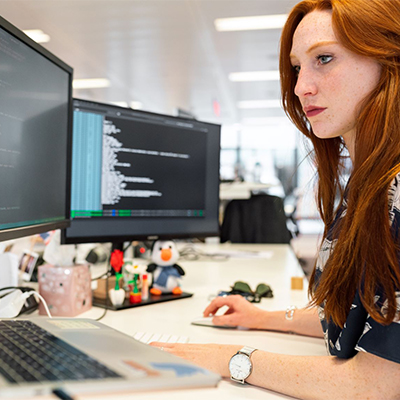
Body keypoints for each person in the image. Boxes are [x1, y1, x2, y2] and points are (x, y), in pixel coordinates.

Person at [151, 0, 400, 398]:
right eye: (298, 67)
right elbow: (357, 318)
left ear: (388, 59)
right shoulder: (367, 186)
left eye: (324, 58)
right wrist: (263, 317)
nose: (301, 86)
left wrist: (231, 359)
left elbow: (380, 383)